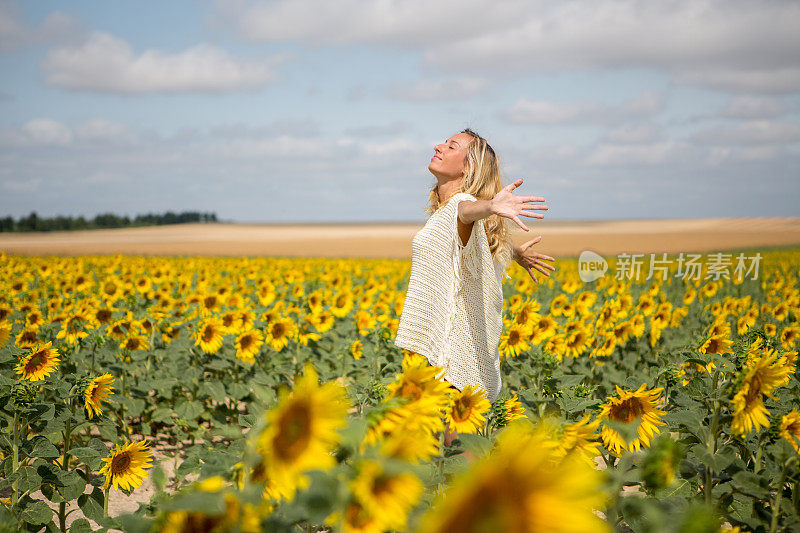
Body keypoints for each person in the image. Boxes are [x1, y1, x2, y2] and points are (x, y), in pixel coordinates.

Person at [393, 128, 556, 450]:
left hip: (450, 354)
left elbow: (467, 212)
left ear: (468, 168)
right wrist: (513, 251)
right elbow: (464, 246)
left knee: (455, 451)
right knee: (439, 450)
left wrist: (491, 207)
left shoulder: (462, 205)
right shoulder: (446, 213)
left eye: (451, 145)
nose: (438, 146)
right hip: (441, 350)